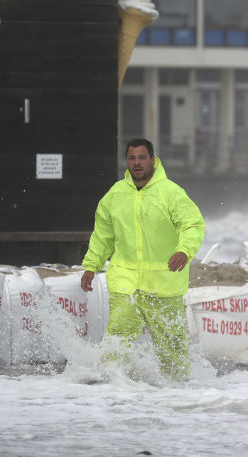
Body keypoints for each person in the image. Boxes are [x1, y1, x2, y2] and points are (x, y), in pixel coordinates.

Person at [80, 138, 205, 379]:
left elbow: (192, 225)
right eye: (132, 158)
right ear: (126, 161)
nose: (137, 163)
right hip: (125, 282)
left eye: (141, 157)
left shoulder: (170, 193)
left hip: (164, 284)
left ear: (152, 159)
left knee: (171, 345)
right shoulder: (115, 195)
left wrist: (184, 251)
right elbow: (103, 236)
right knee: (117, 337)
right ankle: (111, 386)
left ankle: (178, 389)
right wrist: (91, 266)